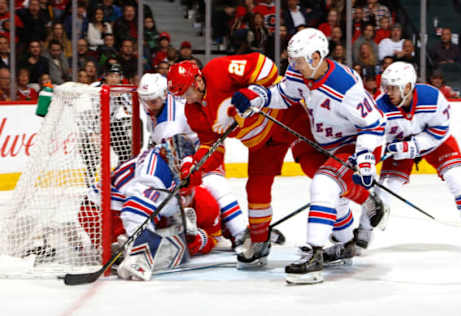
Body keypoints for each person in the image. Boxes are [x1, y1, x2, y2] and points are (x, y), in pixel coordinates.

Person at [231, 28, 387, 284]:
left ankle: (314, 255)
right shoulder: (299, 72)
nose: (292, 65)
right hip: (324, 140)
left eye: (298, 60)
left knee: (325, 183)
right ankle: (347, 240)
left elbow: (375, 125)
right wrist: (258, 96)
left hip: (352, 144)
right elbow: (284, 94)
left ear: (315, 57)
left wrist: (365, 157)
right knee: (321, 180)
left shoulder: (346, 87)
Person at [167, 54, 296, 268]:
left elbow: (266, 68)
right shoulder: (194, 111)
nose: (187, 100)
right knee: (256, 190)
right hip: (262, 143)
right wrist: (194, 167)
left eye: (187, 92)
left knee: (319, 168)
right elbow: (212, 148)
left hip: (287, 114)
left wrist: (250, 93)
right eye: (181, 96)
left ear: (198, 81)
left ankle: (342, 230)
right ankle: (259, 242)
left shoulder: (218, 70)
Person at [355, 61, 461, 252]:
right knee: (386, 188)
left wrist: (413, 145)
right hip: (398, 146)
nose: (388, 92)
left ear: (407, 86)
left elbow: (441, 129)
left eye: (393, 88)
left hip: (434, 143)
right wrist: (366, 158)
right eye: (386, 87)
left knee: (458, 178)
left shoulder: (432, 97)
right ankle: (363, 231)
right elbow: (373, 136)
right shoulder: (380, 107)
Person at [137, 72, 250, 252]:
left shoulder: (170, 122)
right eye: (144, 100)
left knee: (216, 186)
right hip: (185, 157)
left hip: (204, 152)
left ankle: (242, 234)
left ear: (164, 95)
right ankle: (225, 230)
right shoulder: (158, 106)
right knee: (202, 198)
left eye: (153, 100)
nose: (148, 105)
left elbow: (176, 149)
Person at [83, 136, 221, 281]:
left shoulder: (168, 166)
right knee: (166, 251)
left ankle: (125, 247)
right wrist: (140, 251)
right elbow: (134, 210)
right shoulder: (154, 171)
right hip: (98, 213)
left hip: (116, 208)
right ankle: (121, 249)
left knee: (168, 234)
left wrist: (197, 237)